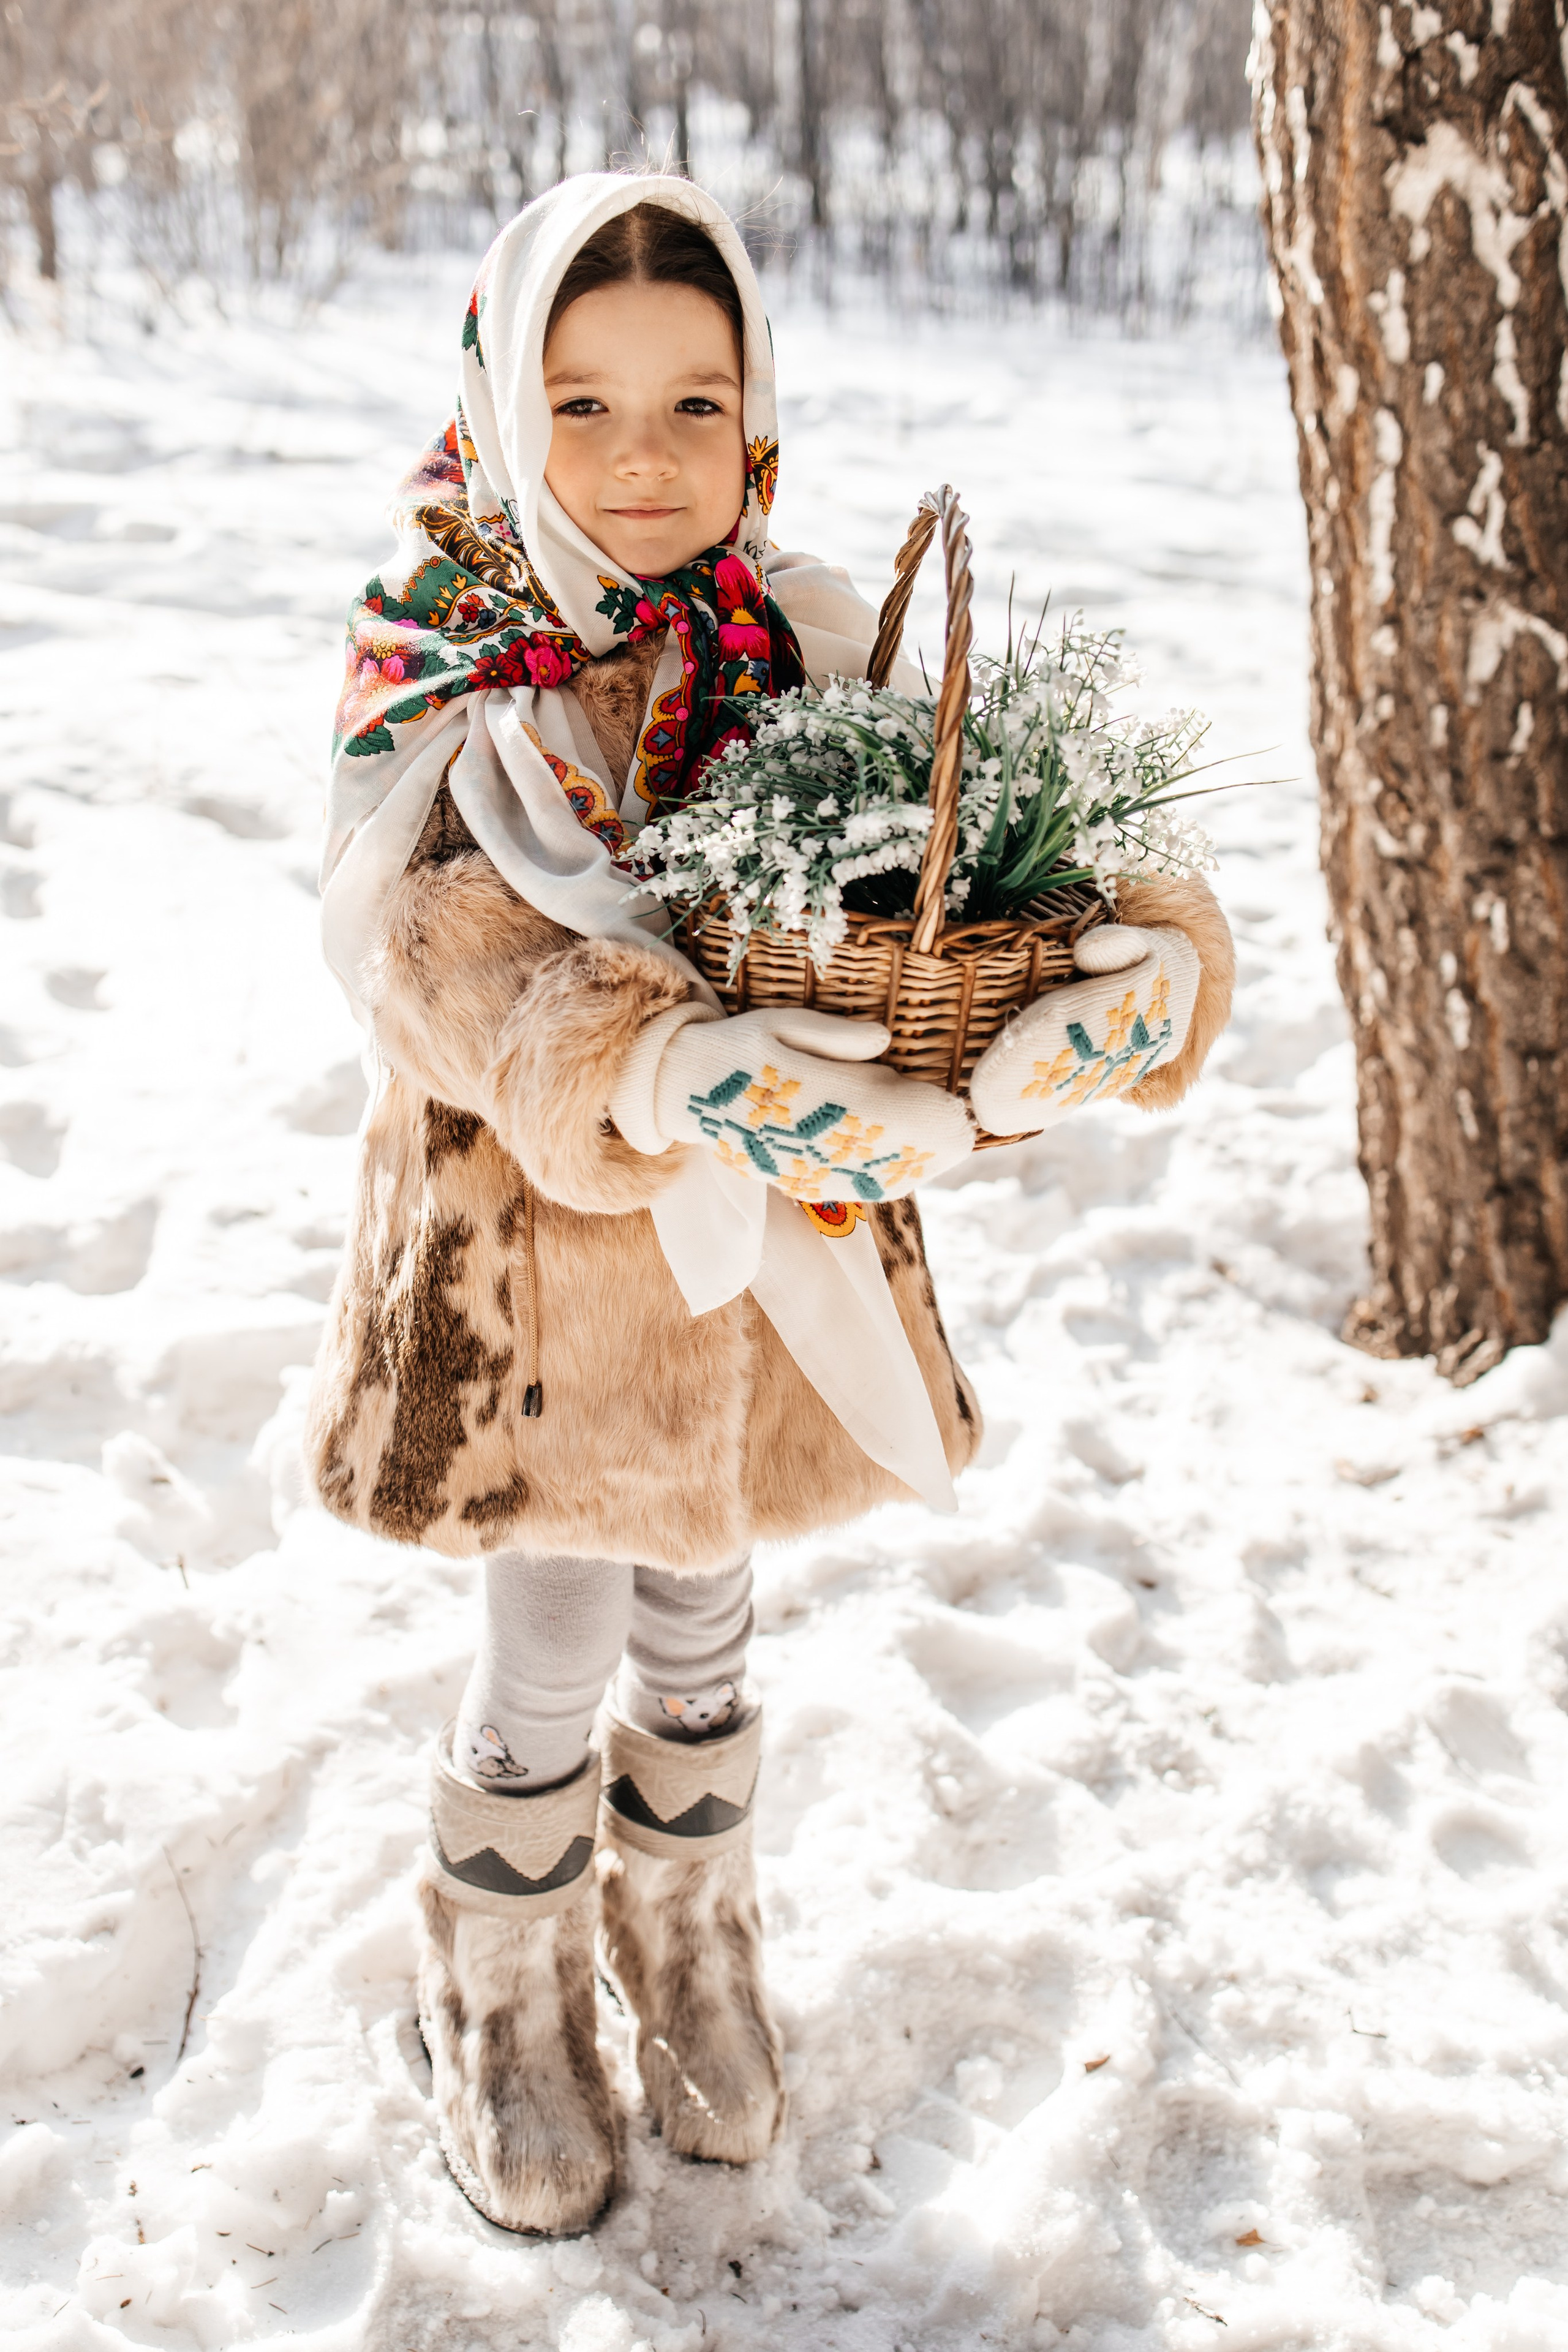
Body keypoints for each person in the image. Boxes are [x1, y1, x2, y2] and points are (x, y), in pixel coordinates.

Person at [305, 171, 1234, 2236]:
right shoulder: (459, 663)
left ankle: (689, 1934)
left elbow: (996, 845)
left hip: (761, 1268)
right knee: (557, 1631)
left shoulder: (805, 639)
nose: (643, 464)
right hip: (534, 1286)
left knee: (709, 1611)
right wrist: (633, 1057)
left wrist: (1141, 964)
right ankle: (507, 1984)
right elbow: (427, 966)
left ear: (758, 420)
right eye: (585, 405)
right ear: (498, 404)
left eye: (692, 406)